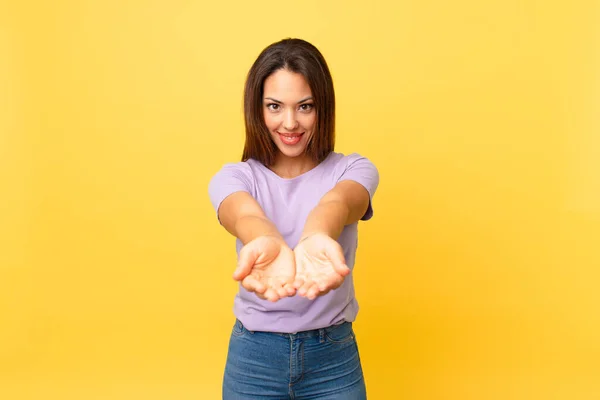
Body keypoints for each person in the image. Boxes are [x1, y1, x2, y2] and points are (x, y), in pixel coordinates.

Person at [208, 38, 379, 400]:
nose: (290, 123)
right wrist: (265, 238)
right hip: (253, 359)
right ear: (258, 109)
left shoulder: (353, 169)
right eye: (275, 106)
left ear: (323, 108)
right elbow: (243, 213)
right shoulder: (236, 178)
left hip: (332, 356)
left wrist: (316, 233)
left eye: (305, 106)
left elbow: (337, 203)